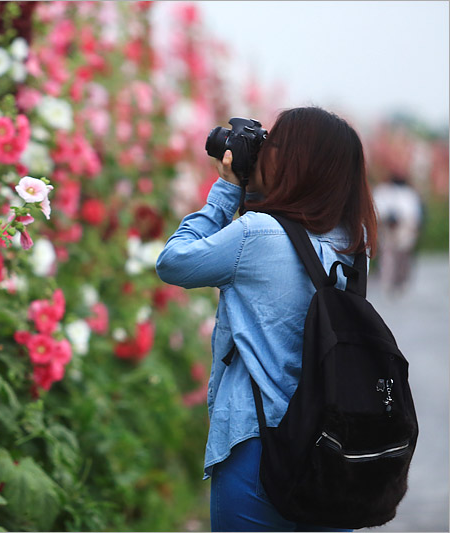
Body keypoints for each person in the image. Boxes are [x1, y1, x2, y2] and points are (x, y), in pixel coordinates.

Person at [156, 107, 378, 532]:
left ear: (295, 163)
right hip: (332, 450)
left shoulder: (256, 234)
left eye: (273, 147)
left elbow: (173, 262)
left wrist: (227, 189)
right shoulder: (355, 244)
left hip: (257, 446)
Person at [372, 173, 423, 295]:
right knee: (388, 258)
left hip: (404, 231)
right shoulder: (382, 191)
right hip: (387, 230)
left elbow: (414, 214)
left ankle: (401, 283)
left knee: (403, 259)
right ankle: (387, 283)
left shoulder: (409, 193)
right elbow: (377, 209)